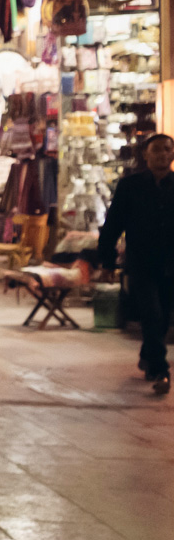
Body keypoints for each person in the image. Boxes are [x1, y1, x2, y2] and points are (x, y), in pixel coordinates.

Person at [90, 131, 174, 395]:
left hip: (170, 263)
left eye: (168, 149)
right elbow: (113, 224)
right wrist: (107, 260)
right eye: (157, 149)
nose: (163, 154)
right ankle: (160, 369)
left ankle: (148, 355)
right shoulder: (131, 186)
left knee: (163, 318)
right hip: (141, 261)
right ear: (146, 155)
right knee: (151, 313)